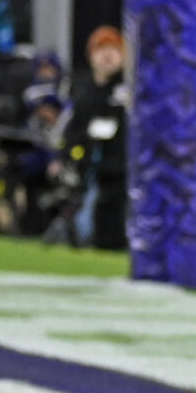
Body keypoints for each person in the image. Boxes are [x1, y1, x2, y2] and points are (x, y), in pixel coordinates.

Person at [60, 26, 130, 249]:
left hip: (121, 171)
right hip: (90, 170)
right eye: (102, 49)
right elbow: (72, 130)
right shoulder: (82, 90)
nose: (108, 55)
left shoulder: (129, 90)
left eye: (114, 49)